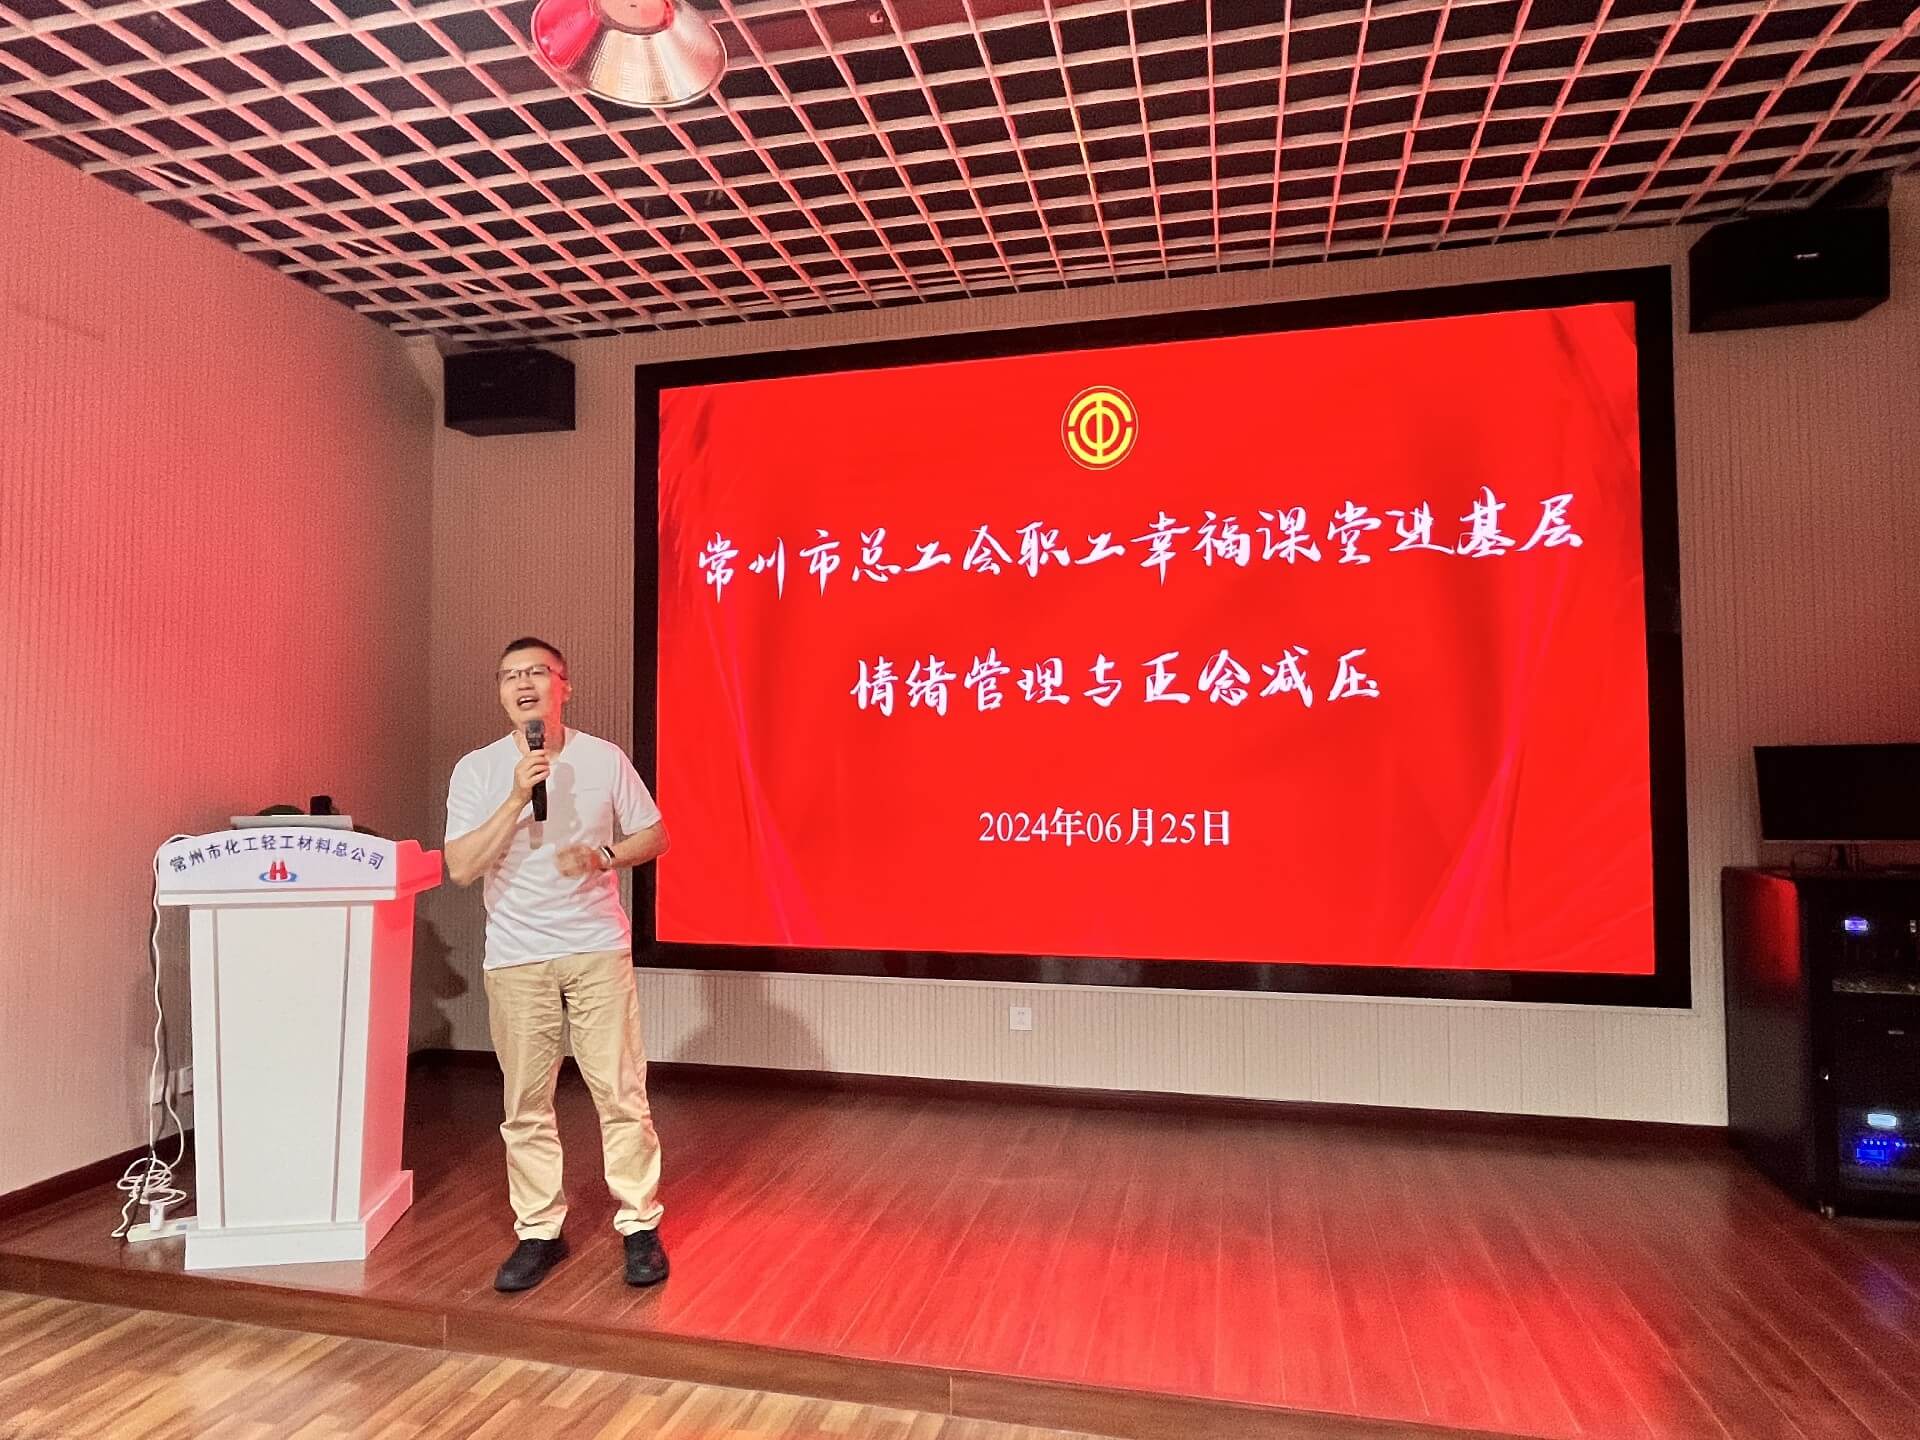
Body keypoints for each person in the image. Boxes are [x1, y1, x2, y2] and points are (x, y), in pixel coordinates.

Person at [444, 637, 671, 1293]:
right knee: (525, 1103)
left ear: (563, 687)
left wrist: (604, 856)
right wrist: (516, 798)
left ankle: (639, 1223)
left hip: (596, 947)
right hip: (517, 957)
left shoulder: (604, 758)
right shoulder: (478, 770)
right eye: (509, 675)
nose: (523, 684)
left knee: (620, 1092)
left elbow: (654, 834)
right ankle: (540, 1231)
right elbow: (461, 867)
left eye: (537, 673)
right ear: (500, 692)